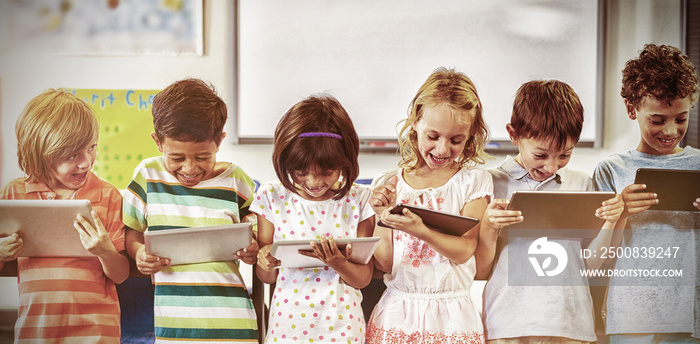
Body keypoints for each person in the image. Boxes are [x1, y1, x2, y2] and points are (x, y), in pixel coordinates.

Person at [475, 79, 625, 344]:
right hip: (508, 326)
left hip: (571, 324)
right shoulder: (489, 183)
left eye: (564, 156)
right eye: (541, 155)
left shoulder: (583, 184)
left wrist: (611, 222)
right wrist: (489, 225)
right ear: (513, 134)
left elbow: (589, 266)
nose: (552, 167)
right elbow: (480, 270)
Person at [121, 78, 260, 343]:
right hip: (174, 326)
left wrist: (252, 247)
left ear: (219, 141)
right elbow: (132, 233)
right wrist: (138, 253)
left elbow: (255, 233)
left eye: (202, 157)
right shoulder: (147, 176)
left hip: (233, 323)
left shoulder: (237, 181)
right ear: (158, 142)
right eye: (177, 158)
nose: (189, 168)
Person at [365, 67, 492, 343]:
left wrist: (420, 230)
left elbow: (464, 251)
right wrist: (380, 216)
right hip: (398, 312)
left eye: (456, 140)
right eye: (433, 136)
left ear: (470, 135)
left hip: (452, 317)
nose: (443, 149)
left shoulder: (473, 182)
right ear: (415, 123)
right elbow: (386, 262)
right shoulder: (389, 182)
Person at [0, 89, 129, 343]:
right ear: (42, 153)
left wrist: (104, 251)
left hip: (97, 332)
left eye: (91, 148)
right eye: (73, 155)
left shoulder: (108, 196)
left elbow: (121, 274)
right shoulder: (13, 194)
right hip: (35, 331)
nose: (86, 162)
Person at [592, 43, 700, 344]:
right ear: (631, 109)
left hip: (691, 320)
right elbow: (600, 257)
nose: (670, 131)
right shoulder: (610, 170)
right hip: (630, 319)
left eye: (681, 118)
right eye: (657, 120)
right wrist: (621, 214)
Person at [252, 94, 375, 343]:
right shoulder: (272, 196)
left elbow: (363, 279)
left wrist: (338, 263)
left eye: (327, 172)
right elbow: (266, 278)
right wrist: (264, 262)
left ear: (345, 161)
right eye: (300, 172)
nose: (313, 182)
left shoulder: (360, 200)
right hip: (287, 327)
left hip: (343, 328)